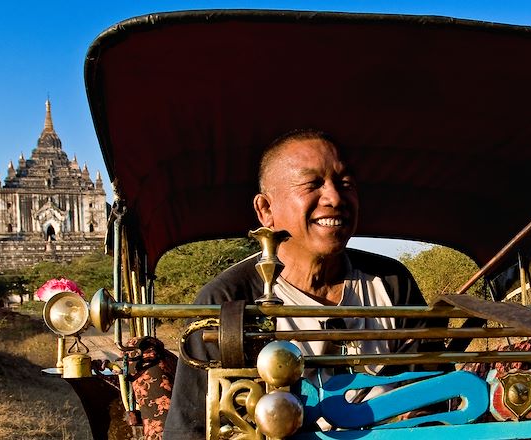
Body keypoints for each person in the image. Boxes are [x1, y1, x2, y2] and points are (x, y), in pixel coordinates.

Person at [163, 130, 432, 439]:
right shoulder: (227, 300)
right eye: (312, 184)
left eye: (346, 184)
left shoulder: (393, 283)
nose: (335, 198)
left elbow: (432, 395)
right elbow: (190, 432)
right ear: (266, 210)